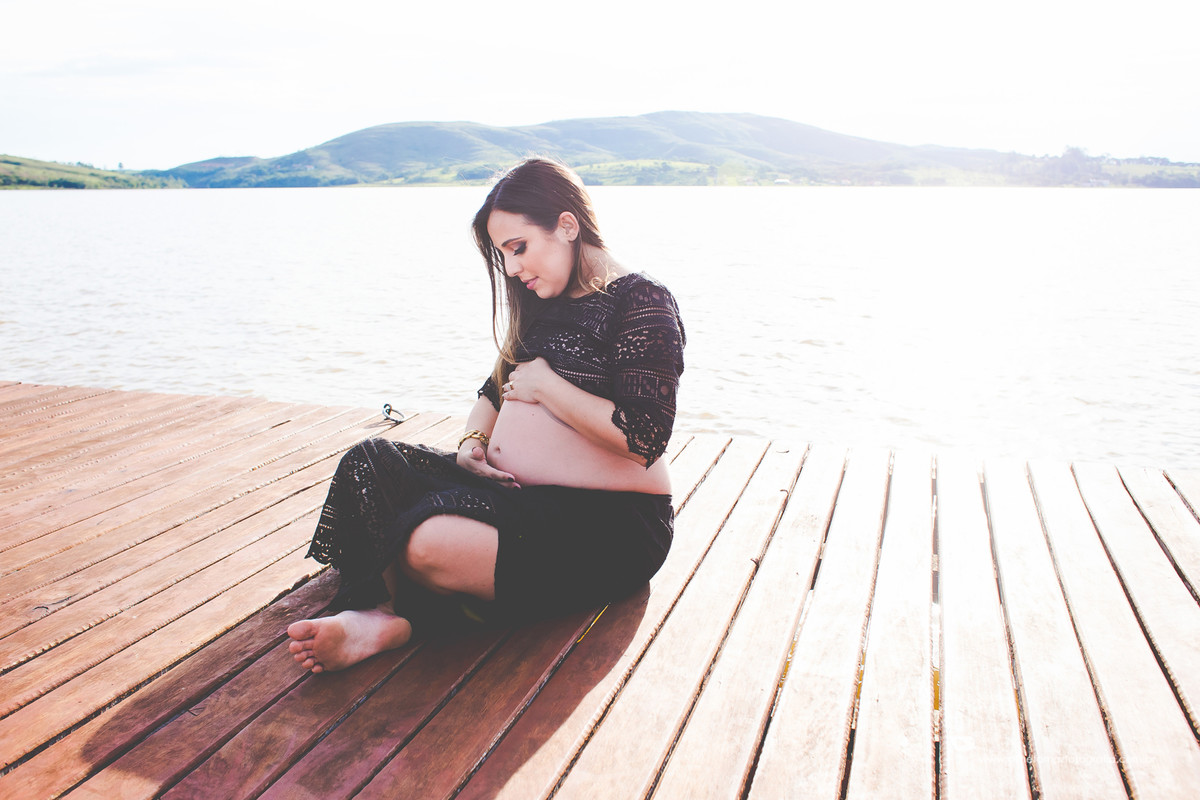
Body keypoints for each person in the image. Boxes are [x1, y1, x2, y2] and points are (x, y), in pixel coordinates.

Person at [287, 157, 686, 673]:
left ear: (567, 225)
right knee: (369, 462)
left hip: (608, 523)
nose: (514, 269)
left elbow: (644, 438)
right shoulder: (543, 299)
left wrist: (548, 387)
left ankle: (410, 611)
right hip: (515, 496)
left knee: (425, 542)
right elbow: (493, 392)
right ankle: (377, 613)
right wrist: (473, 443)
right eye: (504, 256)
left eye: (519, 248)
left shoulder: (641, 302)